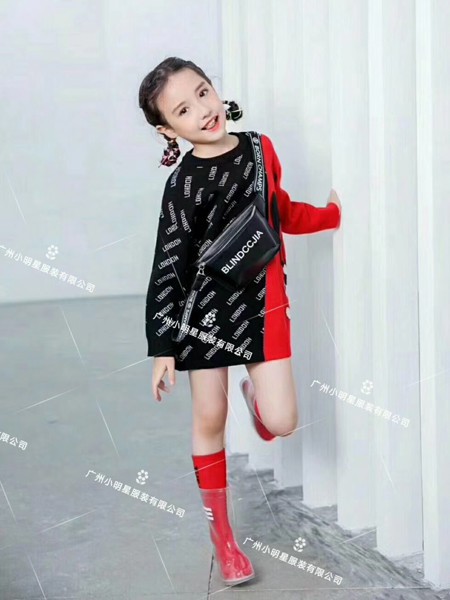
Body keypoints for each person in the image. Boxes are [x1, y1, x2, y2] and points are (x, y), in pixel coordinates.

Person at [138, 56, 342, 586]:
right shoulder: (181, 185)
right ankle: (224, 541)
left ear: (214, 89)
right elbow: (169, 264)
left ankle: (256, 400)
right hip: (203, 313)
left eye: (203, 93)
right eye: (183, 110)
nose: (202, 110)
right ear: (168, 131)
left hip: (263, 303)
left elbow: (279, 211)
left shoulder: (259, 149)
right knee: (209, 416)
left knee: (282, 421)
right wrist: (163, 346)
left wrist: (329, 216)